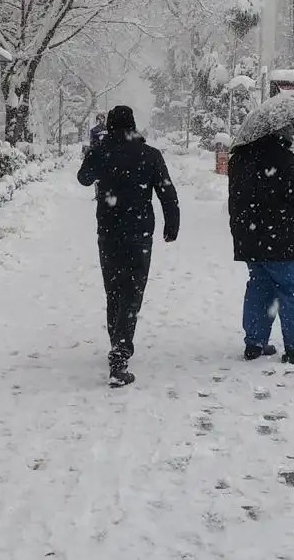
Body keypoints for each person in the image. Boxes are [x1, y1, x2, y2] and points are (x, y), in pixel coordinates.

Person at [77, 105, 180, 388]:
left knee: (114, 290)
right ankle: (120, 352)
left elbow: (83, 178)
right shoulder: (149, 155)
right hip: (139, 232)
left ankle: (117, 344)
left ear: (109, 126)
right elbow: (167, 192)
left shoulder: (101, 151)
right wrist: (172, 225)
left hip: (108, 231)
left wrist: (93, 155)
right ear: (133, 125)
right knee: (132, 291)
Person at [228, 127, 294, 366]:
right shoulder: (282, 158)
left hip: (253, 241)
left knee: (260, 289)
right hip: (288, 242)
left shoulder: (239, 160)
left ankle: (255, 342)